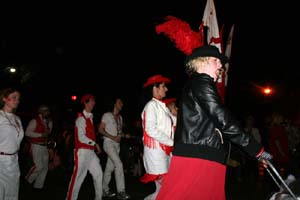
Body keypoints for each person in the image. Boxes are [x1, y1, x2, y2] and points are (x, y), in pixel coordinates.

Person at [156, 45, 273, 200]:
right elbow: (223, 120)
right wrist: (255, 149)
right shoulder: (201, 84)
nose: (221, 66)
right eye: (216, 61)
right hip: (199, 156)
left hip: (204, 153)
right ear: (201, 63)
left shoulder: (199, 85)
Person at [140, 74, 175, 200]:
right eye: (163, 86)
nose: (166, 89)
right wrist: (172, 142)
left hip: (164, 151)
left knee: (164, 189)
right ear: (155, 89)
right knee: (164, 189)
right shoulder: (151, 106)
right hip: (156, 153)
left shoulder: (161, 107)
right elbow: (150, 129)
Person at [66, 94, 103, 200]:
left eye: (94, 101)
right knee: (78, 178)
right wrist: (95, 144)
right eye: (91, 101)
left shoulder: (90, 118)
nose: (94, 103)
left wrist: (94, 145)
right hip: (82, 152)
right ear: (85, 103)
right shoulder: (81, 119)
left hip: (90, 152)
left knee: (98, 173)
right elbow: (81, 137)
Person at [98, 97, 130, 200]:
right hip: (108, 143)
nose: (122, 104)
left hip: (116, 145)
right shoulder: (107, 115)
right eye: (120, 102)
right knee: (119, 164)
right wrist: (113, 137)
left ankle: (104, 190)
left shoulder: (120, 118)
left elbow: (118, 133)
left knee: (109, 168)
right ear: (114, 104)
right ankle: (121, 191)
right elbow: (100, 129)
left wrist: (124, 135)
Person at [0, 88, 24, 200]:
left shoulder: (17, 119)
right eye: (14, 97)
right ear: (4, 99)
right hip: (1, 160)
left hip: (14, 160)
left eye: (18, 98)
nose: (17, 100)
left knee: (13, 192)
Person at [25, 104, 53, 190]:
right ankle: (27, 181)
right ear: (41, 112)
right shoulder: (34, 121)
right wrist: (40, 134)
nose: (47, 112)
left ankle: (38, 186)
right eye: (45, 111)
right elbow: (27, 133)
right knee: (39, 166)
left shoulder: (49, 122)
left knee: (45, 167)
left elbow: (48, 133)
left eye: (48, 110)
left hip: (44, 146)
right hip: (36, 146)